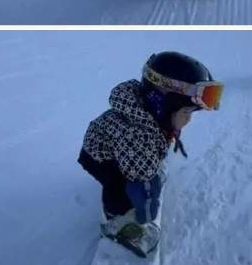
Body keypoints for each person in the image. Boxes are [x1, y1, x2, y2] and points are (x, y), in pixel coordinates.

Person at [78, 52, 223, 245]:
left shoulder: (151, 118)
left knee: (139, 171)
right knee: (119, 186)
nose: (188, 119)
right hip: (98, 156)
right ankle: (117, 222)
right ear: (162, 105)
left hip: (117, 146)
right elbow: (142, 183)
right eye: (186, 112)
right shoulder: (138, 136)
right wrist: (146, 213)